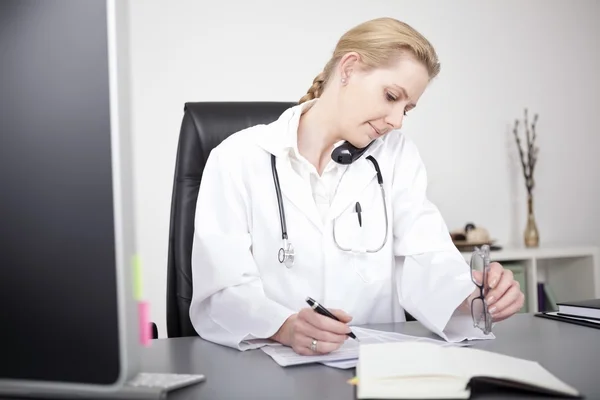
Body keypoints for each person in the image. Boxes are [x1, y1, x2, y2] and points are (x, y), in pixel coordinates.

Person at [189, 17, 524, 355]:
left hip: (374, 366)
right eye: (391, 96)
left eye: (406, 108)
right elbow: (222, 290)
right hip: (266, 367)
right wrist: (283, 326)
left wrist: (471, 297)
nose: (396, 121)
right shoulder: (238, 157)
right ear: (348, 68)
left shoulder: (396, 155)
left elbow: (425, 257)